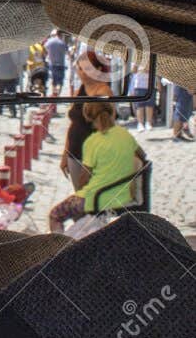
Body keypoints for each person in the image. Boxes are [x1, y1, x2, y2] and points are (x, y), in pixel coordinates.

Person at [49, 101, 144, 231]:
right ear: (111, 113)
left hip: (99, 197)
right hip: (123, 195)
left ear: (88, 117)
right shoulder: (125, 135)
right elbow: (142, 157)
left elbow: (83, 179)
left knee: (55, 215)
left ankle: (61, 247)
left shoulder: (92, 142)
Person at [60, 48, 112, 187]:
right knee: (80, 199)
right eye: (81, 69)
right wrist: (65, 154)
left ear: (99, 69)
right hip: (74, 152)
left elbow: (106, 129)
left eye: (88, 69)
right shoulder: (79, 91)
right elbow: (73, 124)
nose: (83, 73)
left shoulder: (104, 92)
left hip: (93, 157)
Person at [0, 49, 22, 116]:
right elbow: (18, 62)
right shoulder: (14, 50)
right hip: (11, 75)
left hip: (0, 75)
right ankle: (13, 111)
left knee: (0, 94)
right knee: (11, 95)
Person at [44, 29, 68, 96]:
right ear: (61, 34)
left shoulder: (50, 42)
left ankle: (54, 94)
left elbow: (44, 49)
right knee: (60, 82)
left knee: (54, 81)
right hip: (61, 64)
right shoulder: (62, 43)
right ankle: (58, 95)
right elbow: (67, 52)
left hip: (52, 64)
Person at [128, 65, 153, 129]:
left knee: (149, 105)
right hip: (139, 86)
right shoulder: (136, 58)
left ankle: (148, 123)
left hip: (150, 84)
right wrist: (141, 69)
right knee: (139, 106)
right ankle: (140, 123)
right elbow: (133, 70)